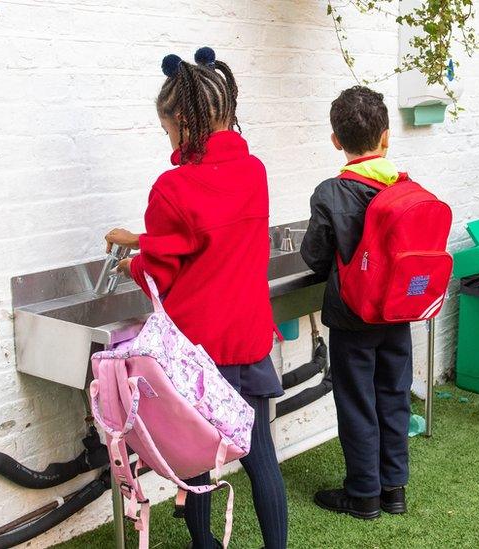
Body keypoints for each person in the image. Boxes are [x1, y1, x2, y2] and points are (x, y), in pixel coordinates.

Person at [104, 48, 288, 548]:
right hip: (249, 340)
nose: (168, 142)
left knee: (200, 458)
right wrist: (142, 238)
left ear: (182, 122)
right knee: (260, 456)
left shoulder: (171, 187)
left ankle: (204, 543)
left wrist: (134, 263)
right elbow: (212, 232)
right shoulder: (254, 172)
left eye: (167, 132)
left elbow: (164, 270)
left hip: (198, 352)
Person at [300, 86, 413, 520]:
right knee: (393, 396)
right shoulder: (404, 187)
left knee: (356, 401)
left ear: (335, 140)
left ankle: (363, 494)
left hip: (353, 317)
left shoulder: (331, 193)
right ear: (386, 137)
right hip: (398, 313)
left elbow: (315, 255)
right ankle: (393, 489)